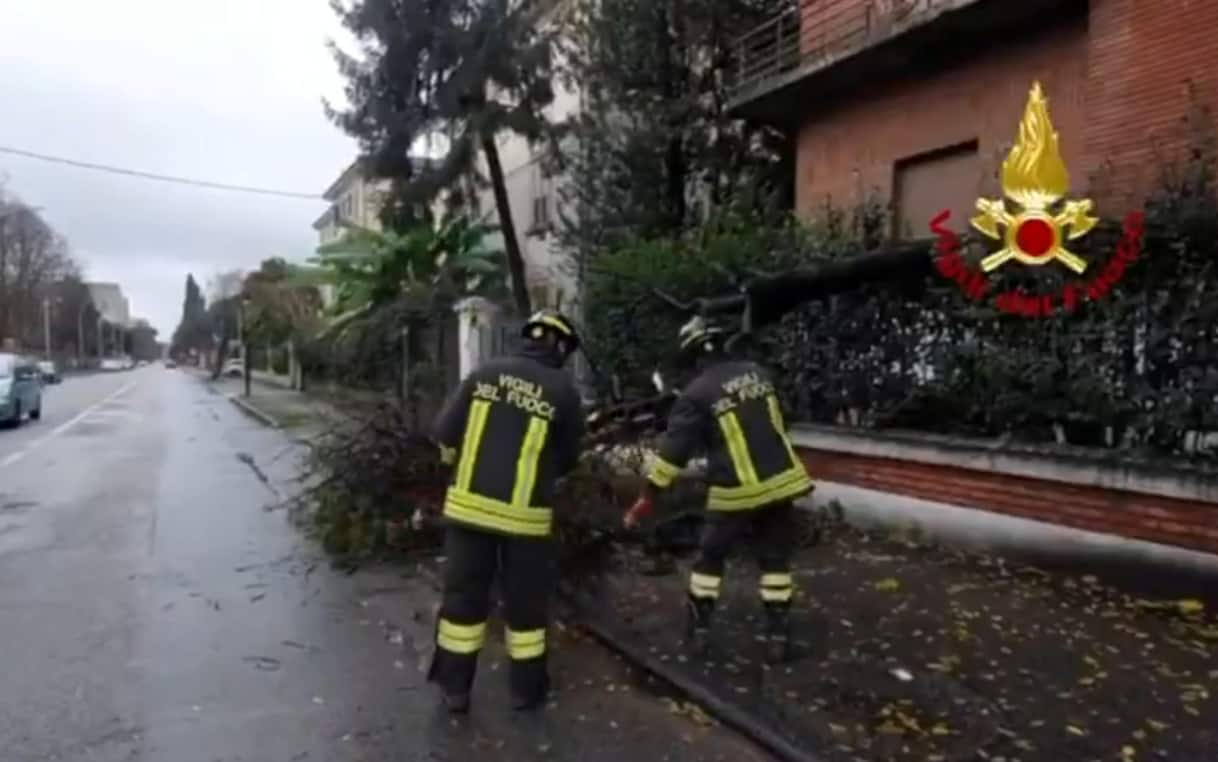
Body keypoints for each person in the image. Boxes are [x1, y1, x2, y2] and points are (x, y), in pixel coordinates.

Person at [623, 316, 814, 661]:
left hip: (736, 492)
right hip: (783, 483)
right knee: (775, 561)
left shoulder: (696, 394)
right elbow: (777, 421)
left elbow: (671, 456)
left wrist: (646, 498)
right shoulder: (760, 375)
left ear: (693, 357)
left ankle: (698, 633)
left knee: (710, 559)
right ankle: (778, 637)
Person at [428, 309, 585, 713]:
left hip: (469, 512)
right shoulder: (564, 392)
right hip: (526, 521)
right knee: (527, 606)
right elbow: (568, 460)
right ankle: (526, 692)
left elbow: (445, 434)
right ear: (562, 347)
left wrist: (458, 467)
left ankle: (454, 689)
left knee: (463, 601)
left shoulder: (484, 374)